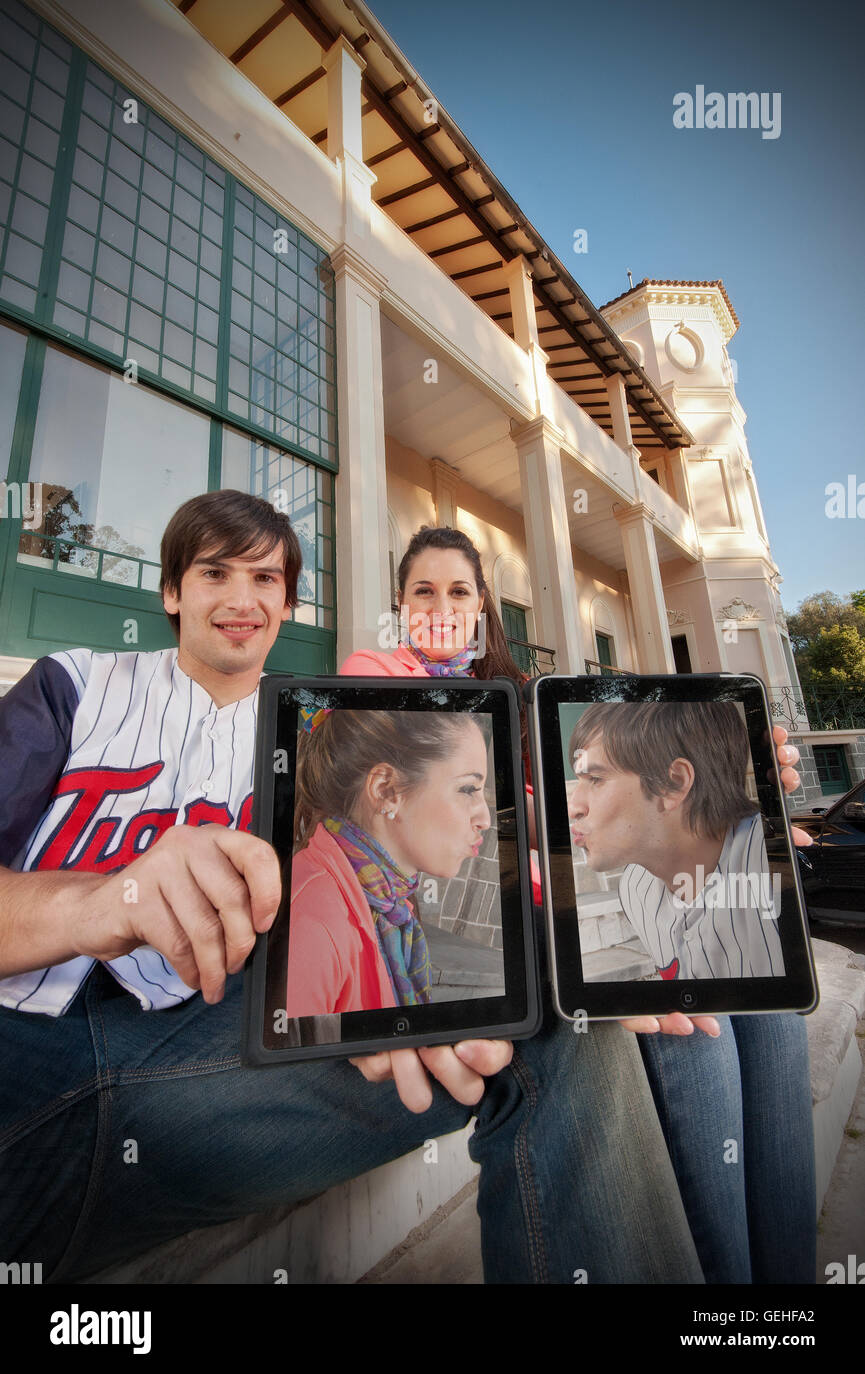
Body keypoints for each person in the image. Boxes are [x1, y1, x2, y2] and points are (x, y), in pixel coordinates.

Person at [0, 490, 705, 1285]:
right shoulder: (76, 686)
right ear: (171, 591)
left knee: (568, 1010)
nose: (241, 599)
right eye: (214, 573)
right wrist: (99, 901)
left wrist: (715, 795)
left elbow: (394, 885)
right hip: (23, 1042)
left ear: (288, 601)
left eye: (265, 579)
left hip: (208, 1055)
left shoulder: (320, 730)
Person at [341, 523, 816, 1285]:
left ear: (482, 605)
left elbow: (563, 810)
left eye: (457, 590)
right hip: (482, 912)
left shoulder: (524, 695)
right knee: (695, 1036)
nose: (439, 606)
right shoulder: (373, 673)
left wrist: (731, 786)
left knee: (770, 1017)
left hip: (560, 886)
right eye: (421, 591)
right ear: (399, 605)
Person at [285, 709, 491, 1015]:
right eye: (467, 789)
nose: (485, 819)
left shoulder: (388, 904)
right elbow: (296, 1061)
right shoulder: (312, 925)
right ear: (386, 790)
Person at [566, 700, 784, 979]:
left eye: (595, 778)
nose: (574, 806)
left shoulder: (770, 864)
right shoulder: (636, 888)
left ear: (674, 783)